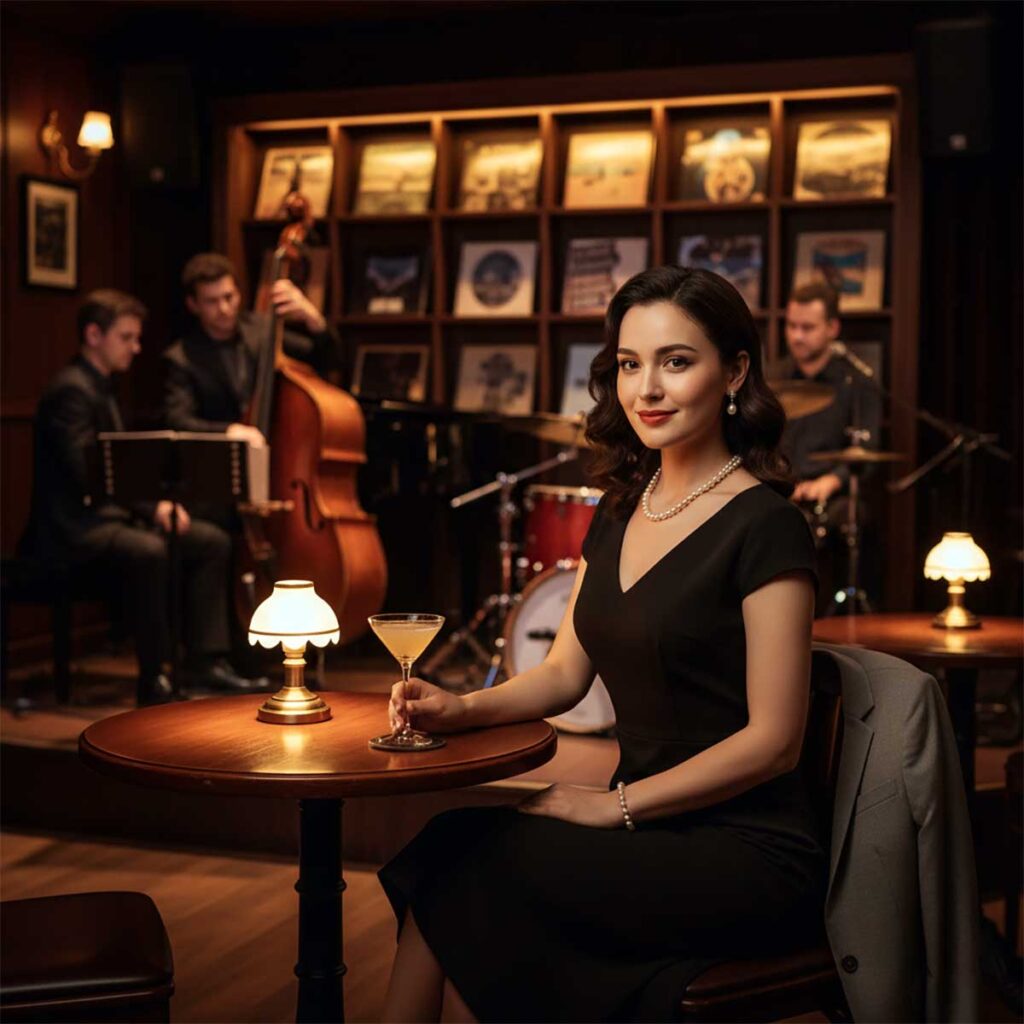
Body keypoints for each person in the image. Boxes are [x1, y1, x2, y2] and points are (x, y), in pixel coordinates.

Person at [376, 266, 825, 1023]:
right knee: (449, 851)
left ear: (734, 371)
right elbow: (562, 674)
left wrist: (613, 806)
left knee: (477, 871)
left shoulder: (766, 525)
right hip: (649, 826)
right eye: (629, 363)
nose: (647, 387)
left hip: (745, 847)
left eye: (676, 362)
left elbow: (775, 743)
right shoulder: (621, 509)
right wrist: (461, 706)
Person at [18, 290, 263, 705]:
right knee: (150, 549)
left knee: (211, 541)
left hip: (104, 519)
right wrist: (153, 509)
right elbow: (88, 475)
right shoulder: (71, 391)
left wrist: (158, 506)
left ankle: (206, 661)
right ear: (94, 335)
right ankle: (155, 677)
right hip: (70, 528)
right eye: (127, 337)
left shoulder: (102, 387)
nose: (136, 346)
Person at [163, 251, 337, 442]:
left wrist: (313, 318)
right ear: (193, 305)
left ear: (238, 293)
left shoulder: (263, 332)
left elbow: (330, 359)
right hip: (220, 461)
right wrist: (228, 431)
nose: (224, 308)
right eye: (211, 301)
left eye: (229, 297)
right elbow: (178, 420)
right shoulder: (181, 357)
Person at [775, 281, 882, 506]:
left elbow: (867, 452)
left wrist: (832, 481)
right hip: (779, 489)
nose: (797, 336)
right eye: (791, 326)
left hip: (832, 496)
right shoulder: (772, 379)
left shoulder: (856, 382)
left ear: (832, 328)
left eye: (807, 327)